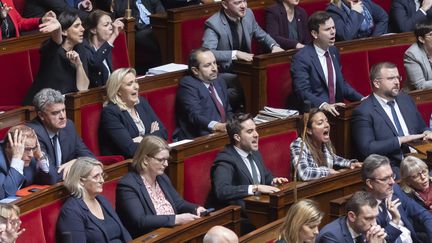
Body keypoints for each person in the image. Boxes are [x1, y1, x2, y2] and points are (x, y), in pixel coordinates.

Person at [209, 113, 288, 233]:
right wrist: (255, 188)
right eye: (250, 131)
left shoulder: (254, 153)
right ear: (237, 137)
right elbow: (222, 191)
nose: (256, 135)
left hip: (259, 212)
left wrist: (273, 181)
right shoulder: (225, 159)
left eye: (256, 130)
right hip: (238, 220)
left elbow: (265, 177)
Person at [351, 62, 432, 176]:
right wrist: (400, 140)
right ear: (377, 83)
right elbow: (367, 149)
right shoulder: (363, 112)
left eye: (398, 77)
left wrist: (427, 132)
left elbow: (421, 127)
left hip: (421, 159)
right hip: (393, 167)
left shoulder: (405, 99)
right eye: (391, 78)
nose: (397, 82)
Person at [116, 135, 206, 237]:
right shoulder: (128, 185)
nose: (166, 164)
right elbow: (140, 221)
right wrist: (176, 219)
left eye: (167, 159)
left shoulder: (161, 178)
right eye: (161, 160)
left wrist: (195, 208)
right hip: (153, 237)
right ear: (145, 160)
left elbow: (179, 203)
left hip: (174, 232)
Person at [291, 11, 363, 116]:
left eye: (333, 28)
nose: (333, 32)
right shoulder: (302, 58)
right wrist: (323, 105)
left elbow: (341, 84)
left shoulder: (333, 51)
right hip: (316, 114)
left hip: (337, 112)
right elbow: (302, 91)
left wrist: (362, 99)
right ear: (314, 34)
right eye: (327, 29)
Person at [56, 157, 131, 242]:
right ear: (81, 181)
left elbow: (123, 232)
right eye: (96, 177)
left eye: (102, 175)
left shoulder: (102, 200)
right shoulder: (71, 211)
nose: (102, 180)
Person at [23, 10, 90, 105]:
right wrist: (57, 28)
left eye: (81, 25)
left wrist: (79, 65)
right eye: (77, 26)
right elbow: (57, 41)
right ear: (64, 31)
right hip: (41, 106)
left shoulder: (79, 49)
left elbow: (83, 88)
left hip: (65, 105)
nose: (82, 29)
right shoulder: (51, 48)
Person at [27, 88, 94, 182]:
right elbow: (51, 176)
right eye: (55, 113)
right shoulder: (33, 133)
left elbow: (91, 159)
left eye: (63, 110)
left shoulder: (68, 126)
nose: (62, 116)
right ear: (41, 115)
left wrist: (76, 163)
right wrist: (79, 167)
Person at [361, 154, 432, 243]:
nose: (392, 182)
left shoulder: (395, 189)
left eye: (392, 176)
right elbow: (379, 241)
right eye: (385, 178)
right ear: (370, 183)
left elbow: (423, 214)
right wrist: (394, 221)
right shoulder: (364, 209)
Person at [99, 68, 167, 158]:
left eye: (136, 82)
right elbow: (131, 150)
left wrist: (141, 139)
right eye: (130, 84)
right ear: (118, 91)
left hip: (150, 157)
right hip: (128, 164)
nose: (136, 87)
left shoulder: (141, 103)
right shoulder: (110, 113)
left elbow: (163, 132)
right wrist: (153, 134)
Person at [202, 0, 284, 72]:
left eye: (244, 1)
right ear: (225, 5)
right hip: (227, 72)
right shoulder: (213, 24)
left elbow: (261, 34)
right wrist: (236, 54)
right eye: (237, 3)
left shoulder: (248, 14)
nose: (244, 6)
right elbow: (207, 53)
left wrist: (273, 45)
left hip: (248, 67)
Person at [174, 47, 233, 140]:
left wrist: (231, 125)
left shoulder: (219, 81)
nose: (214, 68)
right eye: (208, 65)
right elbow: (194, 115)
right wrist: (216, 126)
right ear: (195, 70)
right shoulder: (188, 84)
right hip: (199, 137)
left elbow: (228, 110)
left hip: (223, 134)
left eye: (214, 63)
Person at [290, 108, 362, 181]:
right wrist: (328, 171)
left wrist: (350, 164)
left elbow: (334, 158)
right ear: (309, 130)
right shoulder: (299, 144)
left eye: (326, 121)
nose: (327, 125)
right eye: (320, 123)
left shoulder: (324, 143)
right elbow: (304, 173)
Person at [0, 125, 57, 199]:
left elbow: (52, 181)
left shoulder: (33, 155)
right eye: (25, 149)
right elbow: (5, 195)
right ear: (9, 147)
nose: (31, 155)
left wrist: (41, 157)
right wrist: (17, 158)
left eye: (33, 148)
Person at [110, 0, 165, 74]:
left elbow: (159, 8)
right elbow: (123, 13)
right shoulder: (122, 2)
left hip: (156, 26)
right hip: (139, 30)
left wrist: (160, 22)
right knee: (144, 36)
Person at [316, 191, 387, 243]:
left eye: (375, 217)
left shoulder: (370, 225)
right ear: (352, 216)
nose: (374, 223)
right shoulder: (330, 237)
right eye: (368, 218)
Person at [83, 9, 124, 87]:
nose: (111, 27)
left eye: (111, 24)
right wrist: (114, 35)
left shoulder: (106, 46)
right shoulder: (84, 47)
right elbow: (95, 63)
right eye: (106, 25)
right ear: (93, 30)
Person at [404, 19, 432, 91]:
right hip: (419, 97)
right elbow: (420, 85)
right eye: (431, 34)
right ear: (421, 39)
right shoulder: (412, 54)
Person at [23, 0, 91, 20]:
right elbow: (64, 9)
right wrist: (93, 17)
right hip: (34, 32)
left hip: (51, 25)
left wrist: (80, 5)